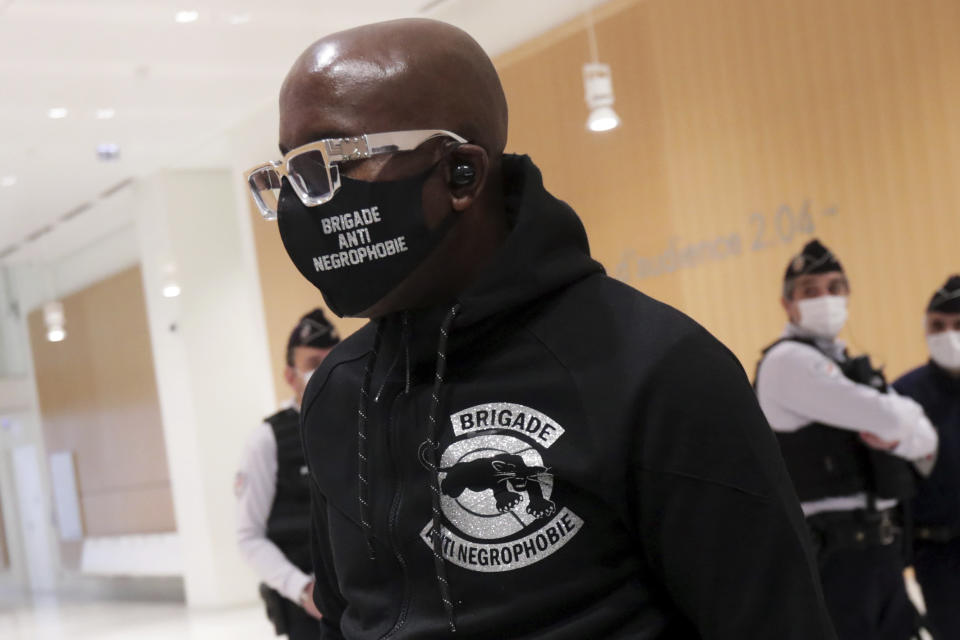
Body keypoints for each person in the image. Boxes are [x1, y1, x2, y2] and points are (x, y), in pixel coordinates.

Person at [245, 19, 836, 639]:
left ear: (461, 175)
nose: (305, 200)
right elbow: (345, 619)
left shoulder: (657, 369)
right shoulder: (339, 391)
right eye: (291, 171)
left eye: (335, 161)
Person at [755, 239, 939, 640]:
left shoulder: (843, 362)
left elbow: (926, 440)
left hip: (881, 549)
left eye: (835, 287)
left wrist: (894, 439)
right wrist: (899, 425)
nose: (826, 298)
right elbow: (891, 415)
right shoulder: (788, 363)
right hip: (836, 556)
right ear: (787, 304)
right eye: (810, 290)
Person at [235, 309, 340, 639]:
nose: (325, 372)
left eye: (332, 360)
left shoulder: (361, 426)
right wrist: (303, 590)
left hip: (368, 600)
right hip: (308, 612)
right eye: (313, 364)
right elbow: (248, 536)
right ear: (290, 376)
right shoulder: (268, 440)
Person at [893, 274, 960, 639]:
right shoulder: (903, 396)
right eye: (938, 325)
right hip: (938, 555)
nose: (948, 334)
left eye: (958, 325)